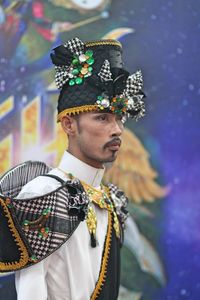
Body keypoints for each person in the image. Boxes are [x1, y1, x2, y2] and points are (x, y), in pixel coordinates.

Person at [0, 37, 145, 300]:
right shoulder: (43, 193)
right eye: (102, 118)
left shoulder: (111, 199)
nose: (117, 129)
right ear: (68, 125)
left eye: (119, 118)